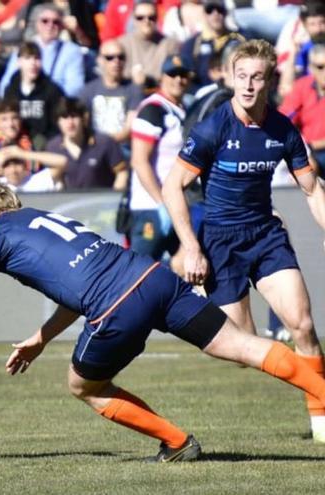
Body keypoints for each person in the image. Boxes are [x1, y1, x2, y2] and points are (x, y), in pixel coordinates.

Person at [0, 180, 325, 460]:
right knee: (243, 346)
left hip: (118, 306)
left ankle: (177, 442)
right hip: (154, 277)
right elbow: (75, 290)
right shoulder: (45, 217)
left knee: (83, 386)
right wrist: (40, 339)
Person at [163, 39, 325, 442]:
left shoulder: (283, 128)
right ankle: (298, 372)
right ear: (231, 78)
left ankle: (320, 418)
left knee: (303, 324)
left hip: (266, 235)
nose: (248, 85)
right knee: (241, 349)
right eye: (241, 76)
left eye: (256, 77)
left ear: (270, 80)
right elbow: (172, 187)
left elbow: (312, 189)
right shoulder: (213, 127)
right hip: (220, 243)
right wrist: (192, 247)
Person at [128, 56, 191, 261]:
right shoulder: (152, 109)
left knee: (190, 269)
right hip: (152, 207)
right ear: (162, 77)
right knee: (140, 272)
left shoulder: (182, 109)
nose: (178, 80)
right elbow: (139, 160)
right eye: (172, 74)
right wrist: (161, 203)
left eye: (182, 75)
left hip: (178, 205)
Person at [46, 98, 128, 191]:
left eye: (74, 116)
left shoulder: (104, 142)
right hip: (67, 203)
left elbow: (122, 173)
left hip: (100, 202)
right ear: (58, 122)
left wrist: (114, 198)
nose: (70, 123)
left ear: (84, 119)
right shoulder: (53, 147)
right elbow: (53, 180)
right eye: (64, 117)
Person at [77, 39, 144, 153]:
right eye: (110, 58)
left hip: (122, 149)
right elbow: (84, 124)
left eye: (121, 57)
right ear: (99, 60)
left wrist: (103, 142)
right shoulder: (88, 90)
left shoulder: (134, 90)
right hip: (93, 148)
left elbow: (128, 130)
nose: (116, 61)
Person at [279, 43, 325, 168]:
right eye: (320, 67)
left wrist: (311, 145)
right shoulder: (302, 86)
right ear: (311, 68)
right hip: (307, 150)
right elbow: (285, 117)